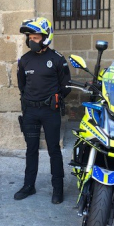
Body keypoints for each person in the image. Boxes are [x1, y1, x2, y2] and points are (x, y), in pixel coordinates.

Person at [15, 17, 71, 204]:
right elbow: (22, 85)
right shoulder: (24, 60)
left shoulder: (57, 59)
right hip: (30, 112)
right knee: (31, 149)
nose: (32, 41)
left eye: (36, 37)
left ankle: (58, 188)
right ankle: (28, 185)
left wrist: (52, 99)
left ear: (46, 38)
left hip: (50, 112)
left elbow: (66, 86)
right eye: (30, 37)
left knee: (54, 150)